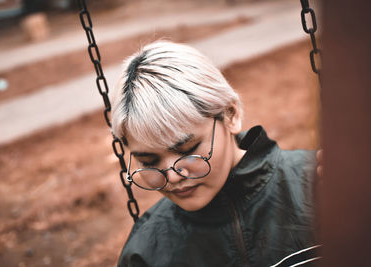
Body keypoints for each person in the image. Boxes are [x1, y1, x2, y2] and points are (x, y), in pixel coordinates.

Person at [110, 41, 320, 267]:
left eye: (188, 149)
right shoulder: (145, 254)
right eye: (148, 161)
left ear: (230, 115)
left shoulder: (321, 186)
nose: (172, 177)